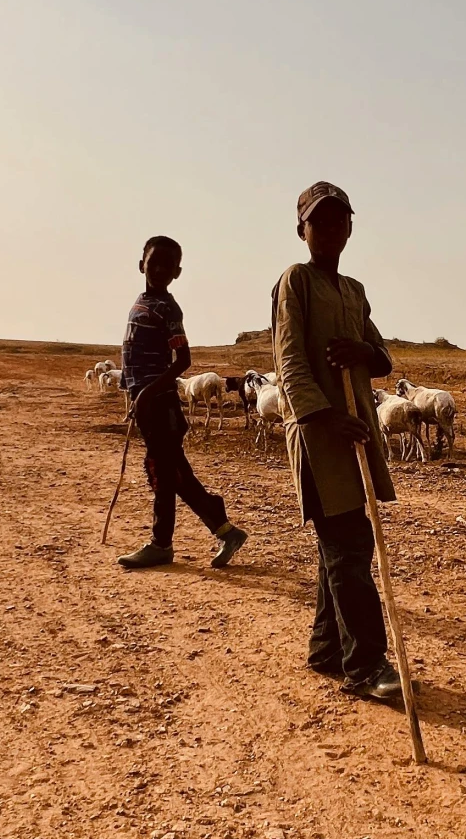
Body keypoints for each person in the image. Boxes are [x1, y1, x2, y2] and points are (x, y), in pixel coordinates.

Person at [271, 182, 403, 704]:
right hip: (320, 434)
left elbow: (383, 358)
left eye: (339, 220)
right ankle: (367, 664)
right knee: (348, 545)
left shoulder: (354, 290)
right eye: (318, 222)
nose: (330, 230)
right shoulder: (294, 282)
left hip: (354, 430)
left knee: (346, 542)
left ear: (350, 226)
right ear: (301, 230)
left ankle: (328, 648)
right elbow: (288, 363)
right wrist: (326, 420)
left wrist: (363, 352)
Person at [117, 235, 248, 572]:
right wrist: (132, 393)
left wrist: (146, 393)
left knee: (164, 474)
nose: (159, 268)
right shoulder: (141, 302)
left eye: (167, 264)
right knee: (174, 474)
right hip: (147, 404)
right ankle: (224, 529)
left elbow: (183, 359)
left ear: (177, 272)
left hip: (161, 406)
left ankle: (162, 544)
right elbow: (131, 355)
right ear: (141, 264)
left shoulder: (168, 308)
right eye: (153, 261)